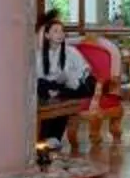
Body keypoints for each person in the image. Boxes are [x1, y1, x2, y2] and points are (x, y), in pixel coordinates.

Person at [34, 9, 95, 146]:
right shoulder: (40, 54)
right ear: (47, 35)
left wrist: (68, 80)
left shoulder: (71, 52)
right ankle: (46, 138)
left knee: (72, 92)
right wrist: (52, 85)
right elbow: (39, 76)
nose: (60, 34)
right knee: (42, 86)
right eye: (55, 31)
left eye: (61, 31)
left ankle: (53, 138)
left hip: (68, 87)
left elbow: (84, 70)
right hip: (49, 87)